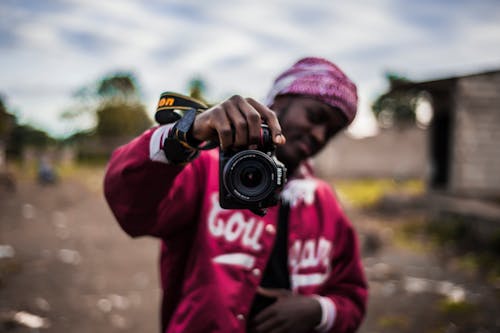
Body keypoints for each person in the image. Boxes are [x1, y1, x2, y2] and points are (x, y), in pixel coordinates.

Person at [104, 57, 367, 333]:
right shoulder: (204, 168)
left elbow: (352, 294)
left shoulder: (324, 203)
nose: (319, 135)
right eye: (315, 117)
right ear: (278, 102)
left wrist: (319, 310)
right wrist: (185, 136)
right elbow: (132, 210)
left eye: (331, 132)